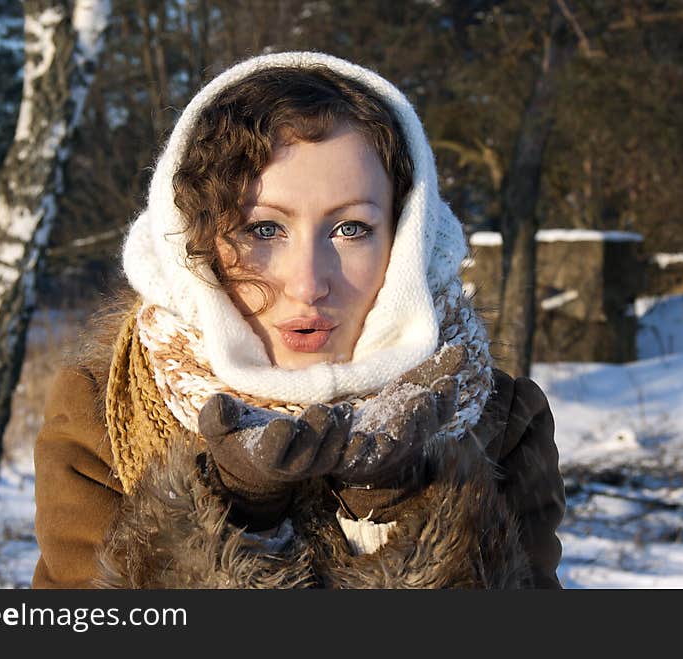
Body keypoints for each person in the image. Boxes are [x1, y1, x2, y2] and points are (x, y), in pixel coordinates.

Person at [32, 51, 565, 589]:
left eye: (351, 228)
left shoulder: (499, 421)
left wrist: (405, 516)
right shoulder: (107, 411)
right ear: (196, 244)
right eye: (263, 230)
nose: (308, 283)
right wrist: (232, 520)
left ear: (408, 240)